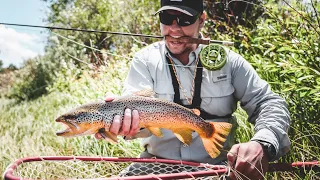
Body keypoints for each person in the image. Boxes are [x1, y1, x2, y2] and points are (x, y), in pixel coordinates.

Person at [96, 0, 291, 179]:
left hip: (216, 168)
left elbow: (268, 103)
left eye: (185, 19)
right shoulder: (144, 61)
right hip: (152, 165)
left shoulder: (230, 62)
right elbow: (134, 114)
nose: (174, 28)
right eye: (166, 18)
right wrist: (122, 124)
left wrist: (263, 144)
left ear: (202, 20)